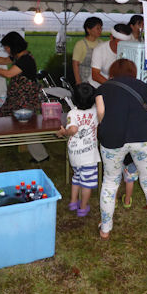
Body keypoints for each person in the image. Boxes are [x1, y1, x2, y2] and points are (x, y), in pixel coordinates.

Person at [96, 58, 147, 239]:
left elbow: (101, 114)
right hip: (143, 139)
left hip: (112, 139)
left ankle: (105, 229)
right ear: (133, 72)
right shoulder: (145, 87)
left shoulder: (103, 88)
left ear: (112, 72)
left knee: (110, 183)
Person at [0, 31, 49, 162]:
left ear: (13, 46)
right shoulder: (20, 56)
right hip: (17, 98)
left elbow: (9, 74)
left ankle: (41, 156)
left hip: (24, 99)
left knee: (26, 127)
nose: (5, 50)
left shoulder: (25, 60)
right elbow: (5, 60)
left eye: (6, 47)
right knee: (16, 123)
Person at [91, 23, 138, 206]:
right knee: (101, 124)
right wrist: (115, 85)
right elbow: (95, 75)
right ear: (111, 38)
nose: (122, 48)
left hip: (121, 93)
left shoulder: (129, 51)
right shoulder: (100, 50)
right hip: (101, 92)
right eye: (119, 43)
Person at [56, 83, 100, 217]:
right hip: (88, 156)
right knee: (86, 183)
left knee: (76, 177)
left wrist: (64, 132)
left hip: (75, 154)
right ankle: (82, 207)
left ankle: (73, 201)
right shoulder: (96, 110)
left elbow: (73, 129)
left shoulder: (72, 113)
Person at [72, 17, 103, 85]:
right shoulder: (80, 44)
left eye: (101, 28)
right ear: (88, 29)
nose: (100, 30)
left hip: (98, 81)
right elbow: (75, 64)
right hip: (85, 81)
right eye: (97, 28)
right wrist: (78, 81)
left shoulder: (101, 43)